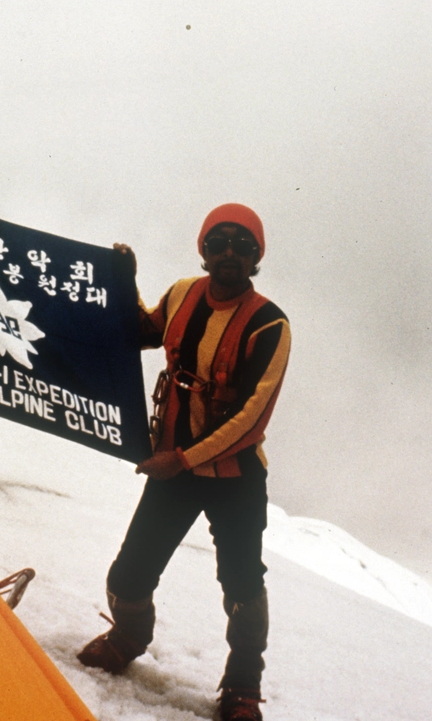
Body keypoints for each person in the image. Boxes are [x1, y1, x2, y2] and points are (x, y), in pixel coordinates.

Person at [78, 203, 291, 721]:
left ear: (257, 256)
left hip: (233, 479)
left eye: (243, 245)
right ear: (203, 249)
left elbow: (252, 418)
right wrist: (123, 281)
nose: (229, 253)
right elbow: (142, 333)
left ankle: (242, 689)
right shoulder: (181, 295)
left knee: (241, 583)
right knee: (129, 576)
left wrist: (183, 457)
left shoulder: (270, 324)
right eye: (219, 241)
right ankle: (128, 637)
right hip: (174, 469)